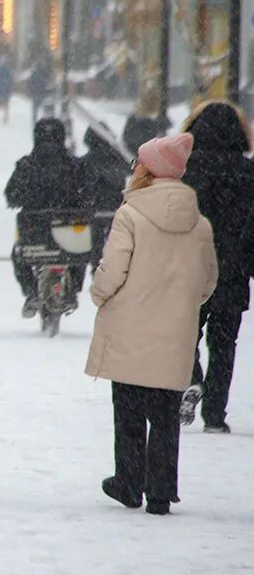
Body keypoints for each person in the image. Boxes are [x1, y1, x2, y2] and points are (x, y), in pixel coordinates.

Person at [86, 133, 217, 515]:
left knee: (127, 408)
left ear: (148, 169)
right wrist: (181, 306)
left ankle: (128, 482)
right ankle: (160, 490)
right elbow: (208, 280)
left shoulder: (131, 213)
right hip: (175, 331)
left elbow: (114, 267)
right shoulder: (199, 222)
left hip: (130, 324)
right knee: (164, 414)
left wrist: (99, 294)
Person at [178, 101, 254, 433]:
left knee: (183, 335)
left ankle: (191, 379)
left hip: (190, 269)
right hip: (232, 269)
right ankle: (214, 414)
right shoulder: (248, 174)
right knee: (224, 345)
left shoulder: (184, 171)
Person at [5, 117, 89, 317]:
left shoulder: (26, 166)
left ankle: (31, 291)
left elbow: (11, 195)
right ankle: (74, 290)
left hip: (35, 235)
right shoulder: (74, 166)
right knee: (82, 250)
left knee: (18, 255)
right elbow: (86, 194)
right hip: (69, 234)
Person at [77, 126, 130, 268]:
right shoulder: (118, 160)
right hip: (116, 208)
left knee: (95, 241)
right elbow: (131, 168)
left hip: (93, 210)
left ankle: (97, 268)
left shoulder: (84, 162)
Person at [27, 45, 52, 125]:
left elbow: (31, 83)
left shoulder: (35, 73)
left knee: (35, 109)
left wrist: (31, 90)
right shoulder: (44, 72)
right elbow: (46, 81)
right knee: (43, 108)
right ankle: (43, 121)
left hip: (37, 92)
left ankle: (35, 121)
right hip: (41, 92)